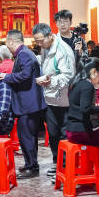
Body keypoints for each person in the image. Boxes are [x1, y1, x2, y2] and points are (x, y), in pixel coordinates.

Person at [0, 29, 47, 179]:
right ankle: (30, 164)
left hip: (28, 104)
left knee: (27, 136)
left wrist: (7, 77)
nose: (7, 46)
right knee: (28, 136)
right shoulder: (24, 53)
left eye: (7, 43)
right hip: (29, 103)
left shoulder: (24, 54)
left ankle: (32, 167)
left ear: (11, 41)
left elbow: (25, 75)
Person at [33, 22, 75, 178]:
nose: (39, 44)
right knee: (53, 133)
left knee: (64, 134)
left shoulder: (63, 50)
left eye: (40, 41)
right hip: (50, 98)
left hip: (64, 99)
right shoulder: (46, 47)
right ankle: (57, 164)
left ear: (50, 35)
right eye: (36, 41)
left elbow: (68, 76)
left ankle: (65, 167)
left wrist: (50, 81)